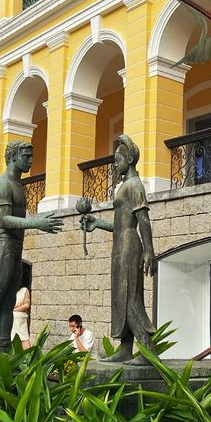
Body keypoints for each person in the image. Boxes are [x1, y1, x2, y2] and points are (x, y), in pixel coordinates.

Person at [0, 141, 63, 350]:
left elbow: (18, 217)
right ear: (13, 157)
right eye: (26, 156)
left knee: (7, 304)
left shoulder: (17, 186)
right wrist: (36, 222)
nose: (31, 160)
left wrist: (35, 220)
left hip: (15, 248)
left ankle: (4, 350)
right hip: (4, 247)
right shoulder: (2, 184)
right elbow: (4, 220)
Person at [80, 135, 157, 364]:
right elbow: (119, 223)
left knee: (130, 297)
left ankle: (148, 350)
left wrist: (149, 250)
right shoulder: (125, 186)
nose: (114, 164)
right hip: (120, 244)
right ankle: (125, 349)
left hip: (129, 246)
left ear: (130, 159)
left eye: (118, 160)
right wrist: (96, 223)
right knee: (120, 297)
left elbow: (143, 219)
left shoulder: (134, 186)